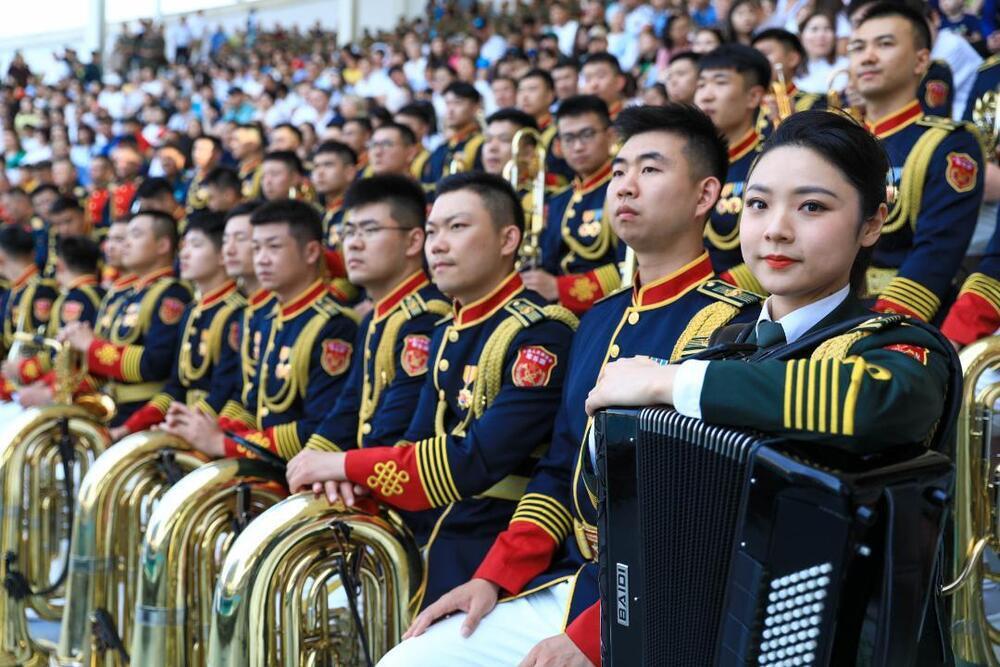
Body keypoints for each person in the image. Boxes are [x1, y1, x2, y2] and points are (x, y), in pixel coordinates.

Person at [386, 104, 762, 667]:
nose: (625, 186)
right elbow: (561, 466)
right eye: (619, 171)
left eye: (650, 169)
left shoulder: (738, 325)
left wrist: (591, 635)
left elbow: (711, 510)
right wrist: (494, 577)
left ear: (706, 195)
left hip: (667, 603)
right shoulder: (598, 320)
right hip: (574, 581)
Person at [285, 172, 578, 614]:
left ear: (508, 239)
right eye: (434, 231)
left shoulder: (541, 333)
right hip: (433, 530)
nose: (438, 245)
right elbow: (413, 443)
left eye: (457, 228)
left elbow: (474, 459)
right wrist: (351, 478)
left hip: (489, 546)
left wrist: (343, 464)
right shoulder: (448, 331)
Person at [586, 109, 951, 460]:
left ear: (871, 224)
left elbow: (875, 402)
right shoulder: (717, 340)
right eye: (759, 204)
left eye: (811, 206)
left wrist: (671, 382)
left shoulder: (898, 344)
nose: (776, 230)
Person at [288, 175, 450, 539]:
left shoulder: (425, 318)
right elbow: (347, 411)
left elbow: (396, 432)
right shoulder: (376, 318)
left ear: (414, 241)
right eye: (348, 232)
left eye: (370, 230)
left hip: (411, 511)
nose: (354, 243)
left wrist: (342, 470)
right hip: (367, 482)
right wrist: (310, 464)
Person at [161, 199, 358, 461]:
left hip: (300, 465)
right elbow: (252, 405)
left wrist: (225, 443)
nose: (261, 259)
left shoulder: (334, 325)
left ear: (311, 252)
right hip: (264, 455)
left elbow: (320, 428)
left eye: (273, 247)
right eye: (256, 248)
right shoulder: (266, 318)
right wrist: (210, 430)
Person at [850, 2, 984, 322]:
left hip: (903, 318)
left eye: (884, 44)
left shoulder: (948, 143)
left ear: (921, 60)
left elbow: (936, 253)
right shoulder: (836, 140)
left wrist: (879, 326)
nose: (867, 57)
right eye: (858, 47)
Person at [110, 211, 246, 440]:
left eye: (196, 245)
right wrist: (133, 426)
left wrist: (187, 426)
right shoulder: (193, 311)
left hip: (215, 426)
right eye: (184, 246)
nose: (184, 253)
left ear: (222, 255)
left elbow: (225, 390)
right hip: (188, 420)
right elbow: (176, 386)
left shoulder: (235, 312)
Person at [59, 210, 192, 426]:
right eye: (126, 236)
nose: (126, 244)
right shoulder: (129, 294)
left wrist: (91, 346)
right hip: (112, 404)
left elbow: (155, 363)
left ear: (162, 246)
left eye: (136, 235)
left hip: (143, 408)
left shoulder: (172, 294)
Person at [521, 95, 620, 315]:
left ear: (611, 135)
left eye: (587, 135)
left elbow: (629, 268)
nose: (577, 146)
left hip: (607, 311)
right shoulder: (559, 200)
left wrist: (559, 288)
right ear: (558, 146)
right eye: (568, 138)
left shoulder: (622, 190)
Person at [695, 44, 771, 292]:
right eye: (701, 85)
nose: (706, 96)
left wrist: (715, 290)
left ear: (753, 97)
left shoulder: (770, 163)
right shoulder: (690, 165)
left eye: (720, 83)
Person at [13, 235, 105, 406]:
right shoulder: (102, 293)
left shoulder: (75, 299)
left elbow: (65, 354)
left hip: (75, 389)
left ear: (60, 265)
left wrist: (25, 370)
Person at [426, 82, 485, 183]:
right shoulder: (441, 148)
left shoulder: (483, 145)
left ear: (475, 107)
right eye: (447, 104)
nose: (450, 110)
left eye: (457, 103)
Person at [311, 140, 358, 249]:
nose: (319, 172)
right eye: (316, 166)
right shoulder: (317, 215)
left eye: (328, 165)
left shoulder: (357, 212)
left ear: (349, 173)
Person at [580, 52, 627, 120]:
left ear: (619, 82)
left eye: (600, 76)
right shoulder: (580, 120)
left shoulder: (634, 117)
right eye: (588, 79)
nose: (593, 84)